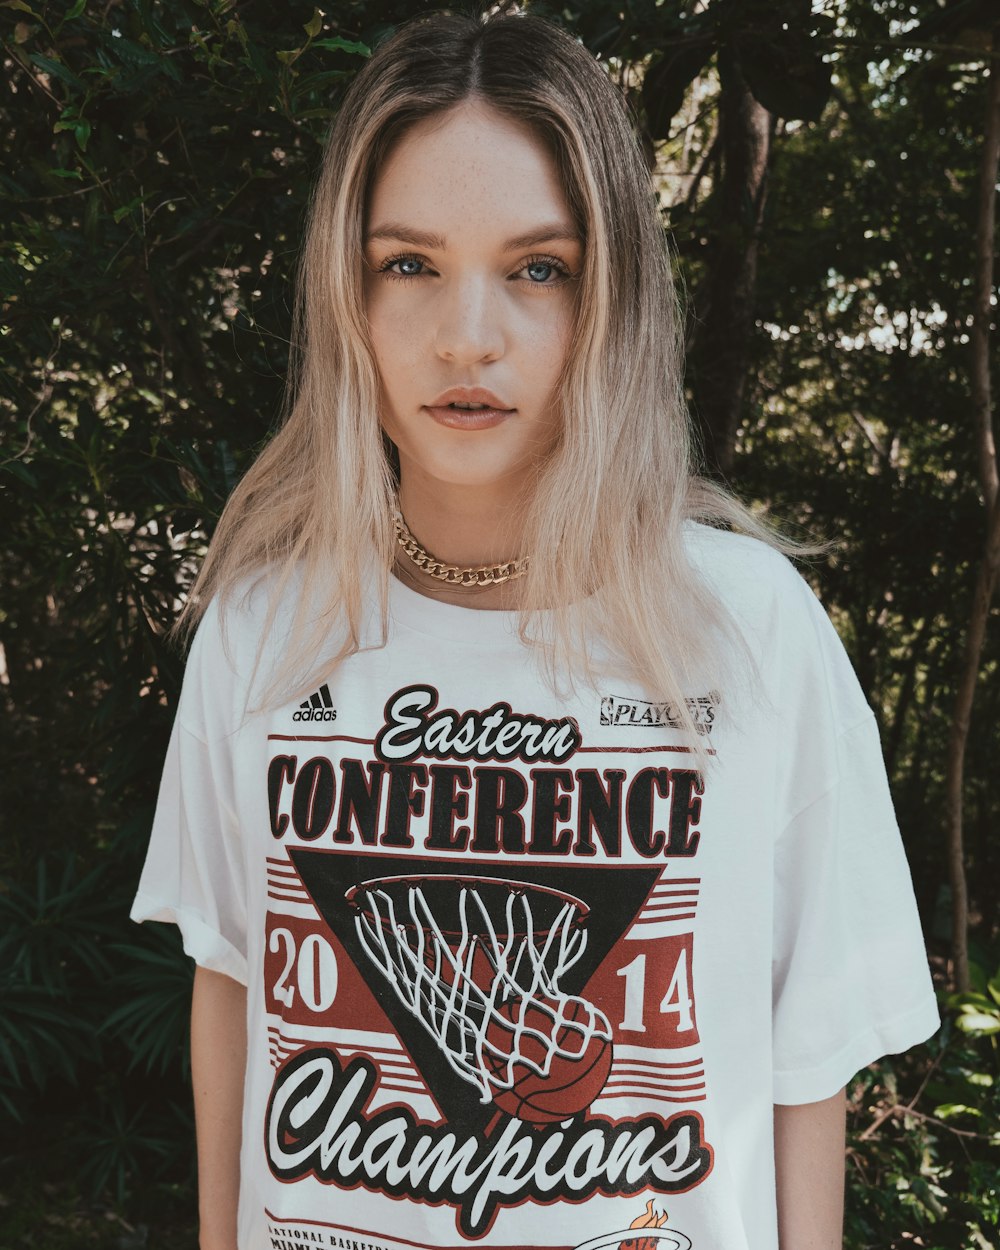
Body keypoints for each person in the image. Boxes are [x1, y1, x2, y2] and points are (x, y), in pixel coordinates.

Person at [129, 8, 940, 1250]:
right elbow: (234, 991)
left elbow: (807, 1057)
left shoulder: (750, 632)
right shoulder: (262, 627)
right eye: (408, 264)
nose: (469, 334)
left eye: (536, 267)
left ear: (608, 295)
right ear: (345, 294)